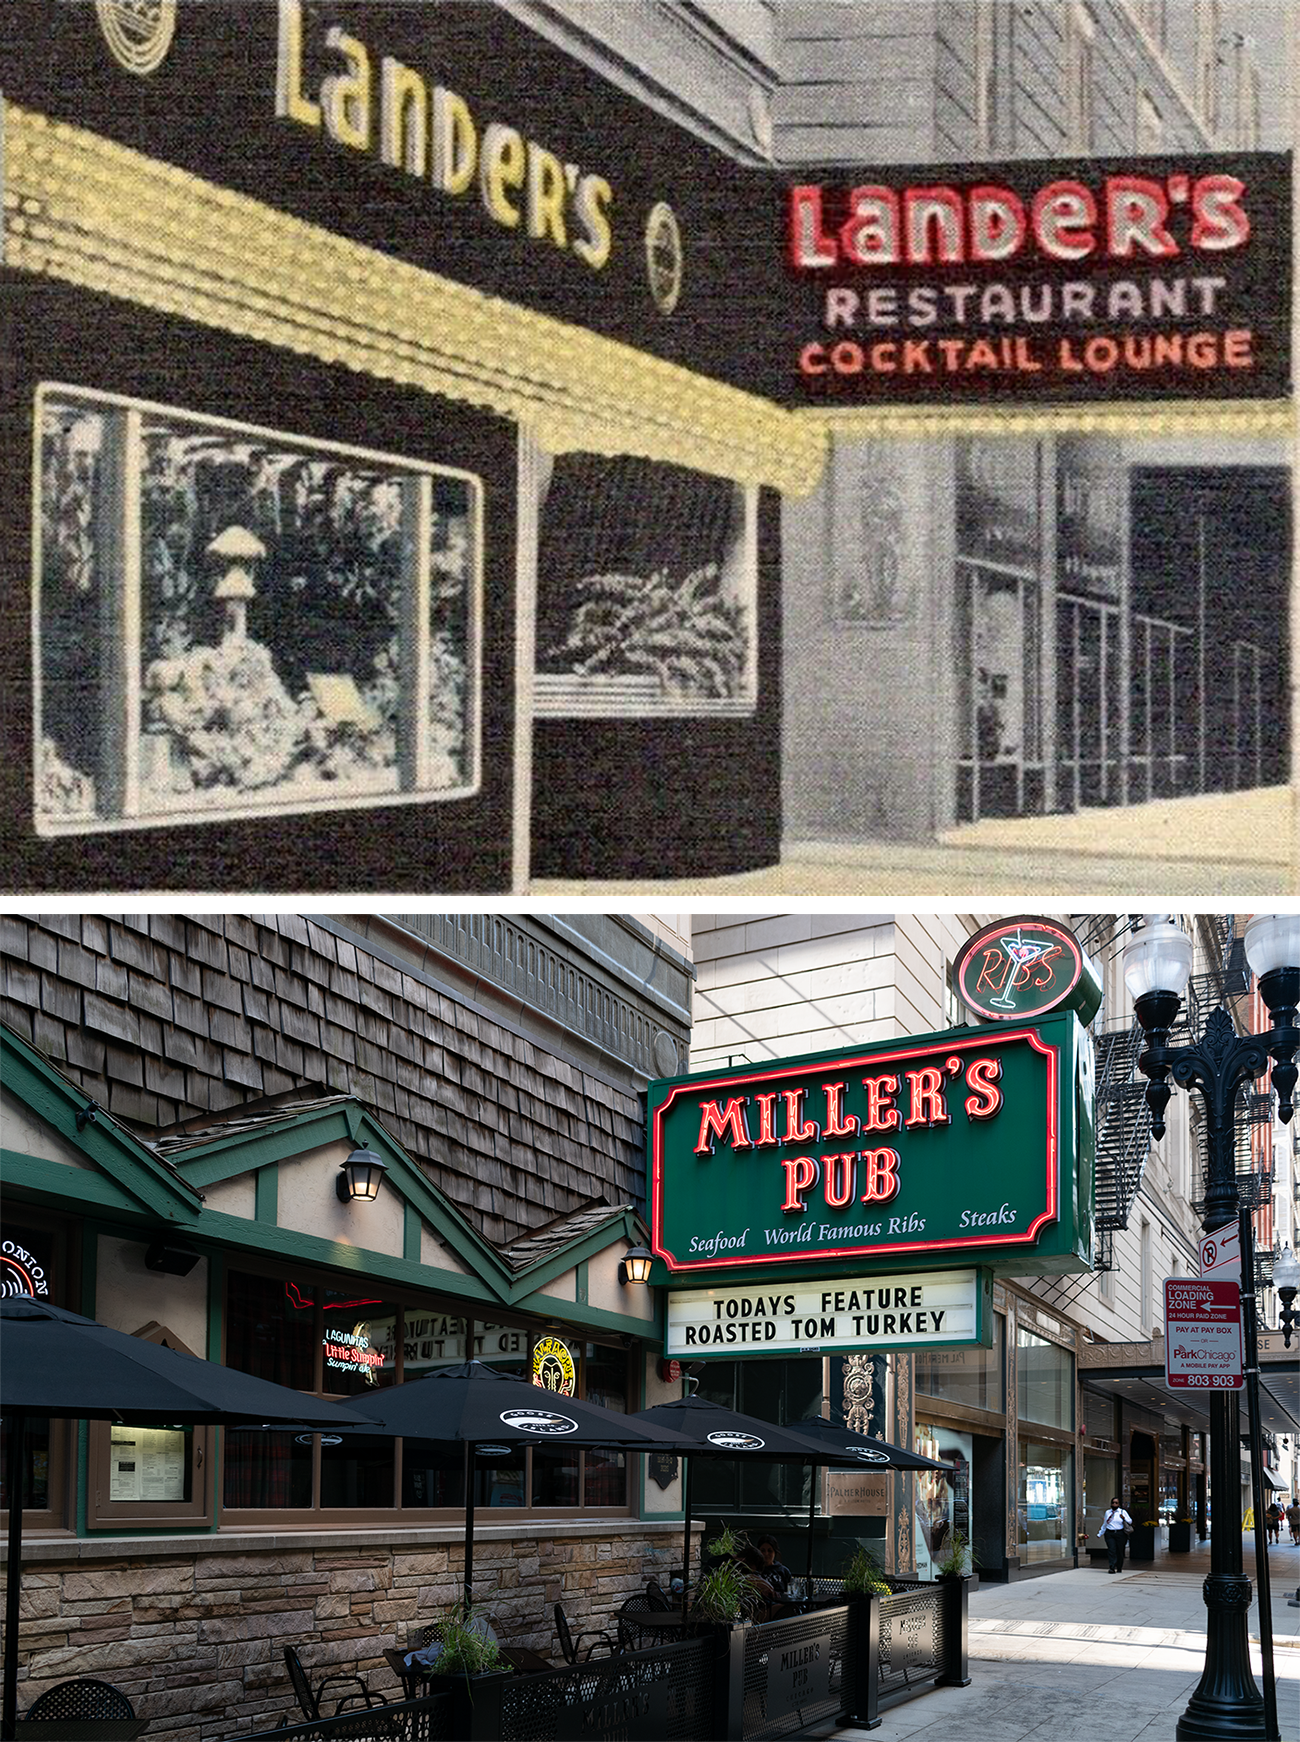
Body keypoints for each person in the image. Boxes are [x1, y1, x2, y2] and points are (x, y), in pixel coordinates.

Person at [1102, 1496, 1133, 1574]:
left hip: (1120, 1533)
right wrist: (1100, 1533)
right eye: (1113, 1503)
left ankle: (1119, 1566)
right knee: (1111, 1550)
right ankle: (1111, 1567)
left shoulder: (1122, 1512)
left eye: (1116, 1503)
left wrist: (1124, 1518)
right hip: (1110, 1533)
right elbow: (1105, 1523)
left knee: (1120, 1551)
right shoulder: (1107, 1512)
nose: (1114, 1504)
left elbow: (1130, 1521)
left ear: (1119, 1504)